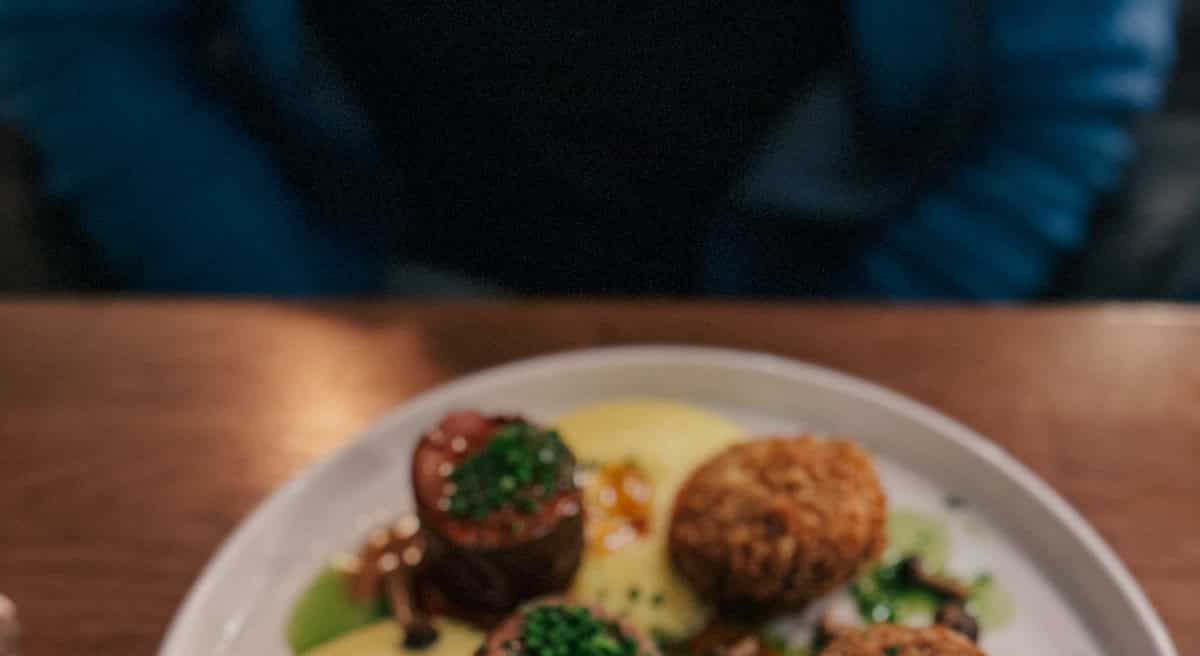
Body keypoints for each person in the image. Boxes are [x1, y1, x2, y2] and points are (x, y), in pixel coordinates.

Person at [0, 0, 1179, 300]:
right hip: (336, 264)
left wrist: (853, 357)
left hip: (850, 271)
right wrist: (278, 294)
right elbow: (81, 43)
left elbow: (1067, 84)